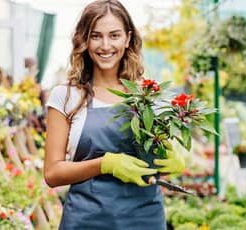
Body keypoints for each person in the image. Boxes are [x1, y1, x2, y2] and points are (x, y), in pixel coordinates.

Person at [44, 1, 184, 229]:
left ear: (128, 39)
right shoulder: (67, 96)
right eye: (96, 36)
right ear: (84, 40)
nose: (105, 45)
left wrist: (173, 163)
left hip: (144, 219)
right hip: (86, 221)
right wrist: (105, 164)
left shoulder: (148, 94)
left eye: (114, 35)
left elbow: (157, 165)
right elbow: (52, 173)